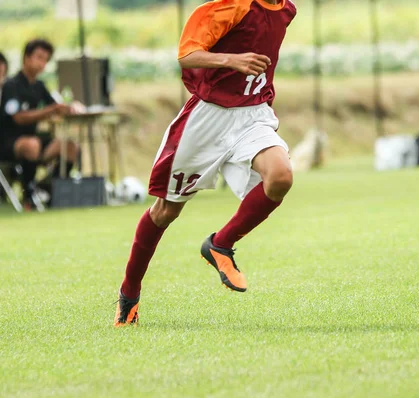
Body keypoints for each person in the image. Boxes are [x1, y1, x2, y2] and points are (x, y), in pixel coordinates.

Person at [114, 0, 297, 326]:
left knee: (281, 176)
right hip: (208, 118)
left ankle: (220, 244)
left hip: (252, 116)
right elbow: (187, 54)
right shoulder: (234, 6)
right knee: (165, 211)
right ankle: (129, 293)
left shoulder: (286, 10)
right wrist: (232, 60)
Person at [0, 39, 78, 207]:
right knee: (32, 144)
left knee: (71, 147)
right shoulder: (11, 85)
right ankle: (28, 196)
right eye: (39, 57)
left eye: (46, 60)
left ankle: (50, 190)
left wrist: (69, 108)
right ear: (26, 58)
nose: (42, 63)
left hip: (34, 139)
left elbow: (54, 107)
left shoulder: (39, 86)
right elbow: (18, 117)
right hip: (10, 143)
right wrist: (50, 110)